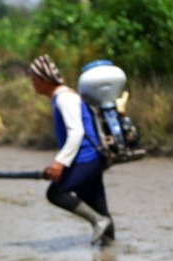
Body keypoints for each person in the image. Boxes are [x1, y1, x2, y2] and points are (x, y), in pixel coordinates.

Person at [28, 54, 115, 246]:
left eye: (34, 80)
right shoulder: (61, 97)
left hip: (86, 158)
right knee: (99, 208)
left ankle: (98, 222)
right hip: (87, 159)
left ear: (44, 80)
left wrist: (59, 163)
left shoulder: (64, 98)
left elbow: (76, 132)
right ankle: (109, 258)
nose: (33, 84)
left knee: (55, 193)